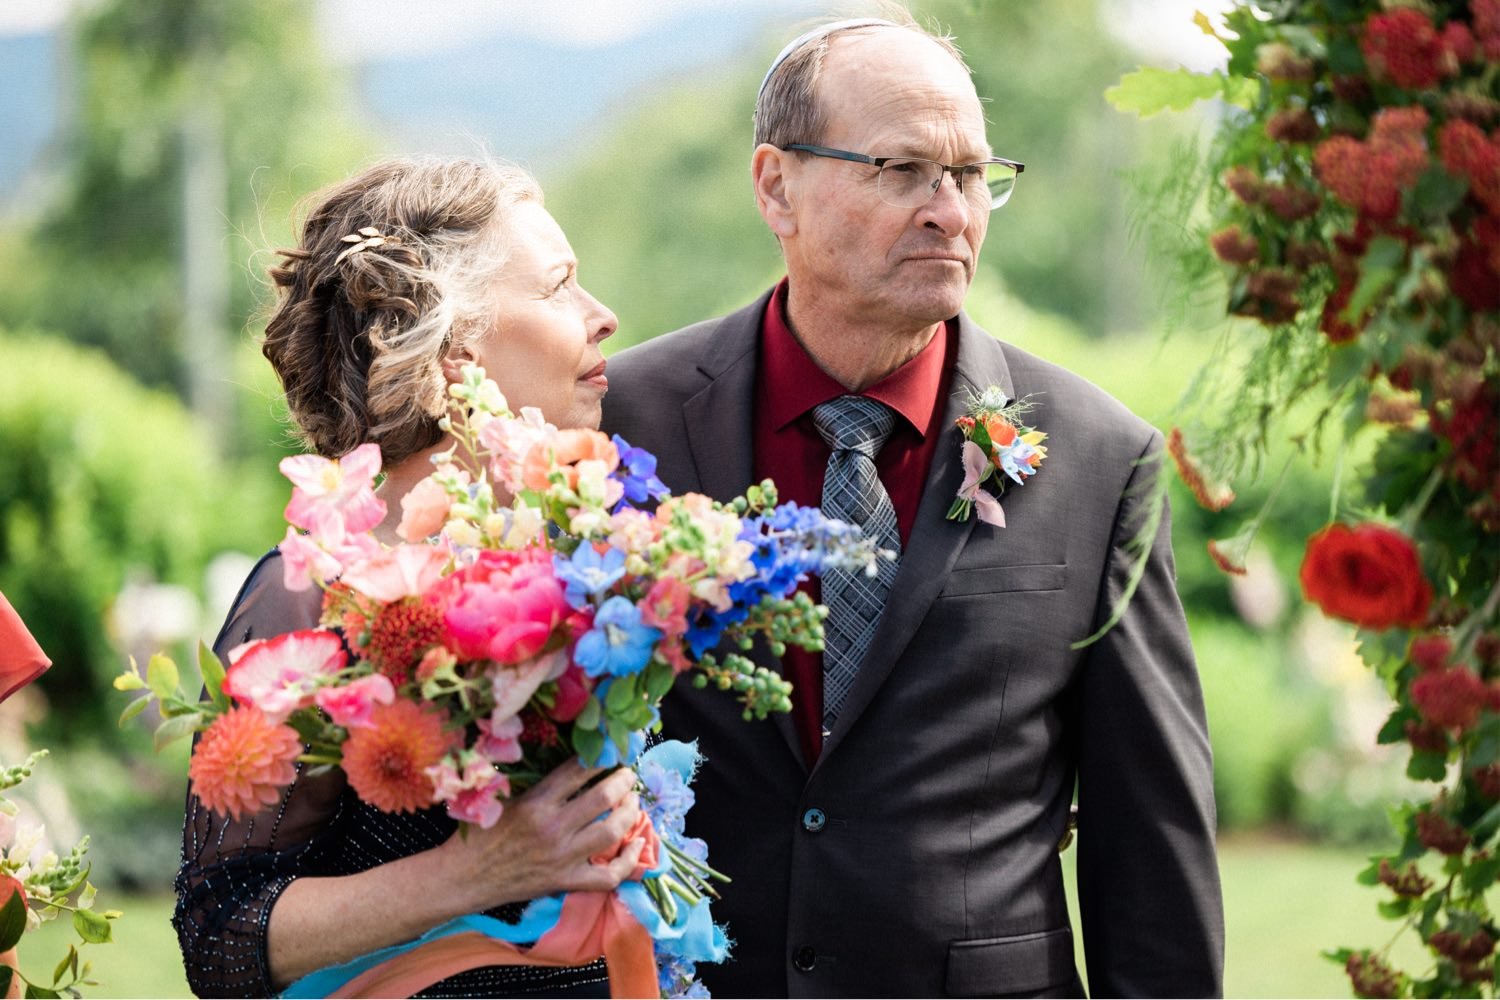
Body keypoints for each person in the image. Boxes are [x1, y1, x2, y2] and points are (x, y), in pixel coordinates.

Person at [601, 13, 1225, 998]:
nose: (951, 210)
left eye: (973, 175)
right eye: (903, 169)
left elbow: (1149, 846)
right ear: (777, 185)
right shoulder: (623, 421)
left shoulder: (1102, 458)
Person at [174, 156, 644, 998]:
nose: (602, 316)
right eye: (559, 286)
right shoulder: (309, 593)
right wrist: (474, 874)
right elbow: (219, 938)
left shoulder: (581, 552)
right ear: (455, 337)